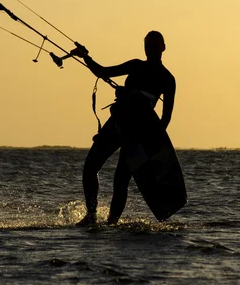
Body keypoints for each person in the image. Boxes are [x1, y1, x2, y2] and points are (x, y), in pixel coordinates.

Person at [72, 31, 176, 225]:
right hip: (118, 123)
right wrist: (86, 57)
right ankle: (92, 215)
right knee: (90, 168)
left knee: (121, 180)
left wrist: (153, 145)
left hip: (140, 134)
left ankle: (112, 223)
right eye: (147, 45)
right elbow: (103, 72)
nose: (150, 49)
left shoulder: (167, 79)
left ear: (163, 47)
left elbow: (166, 117)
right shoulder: (136, 65)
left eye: (154, 45)